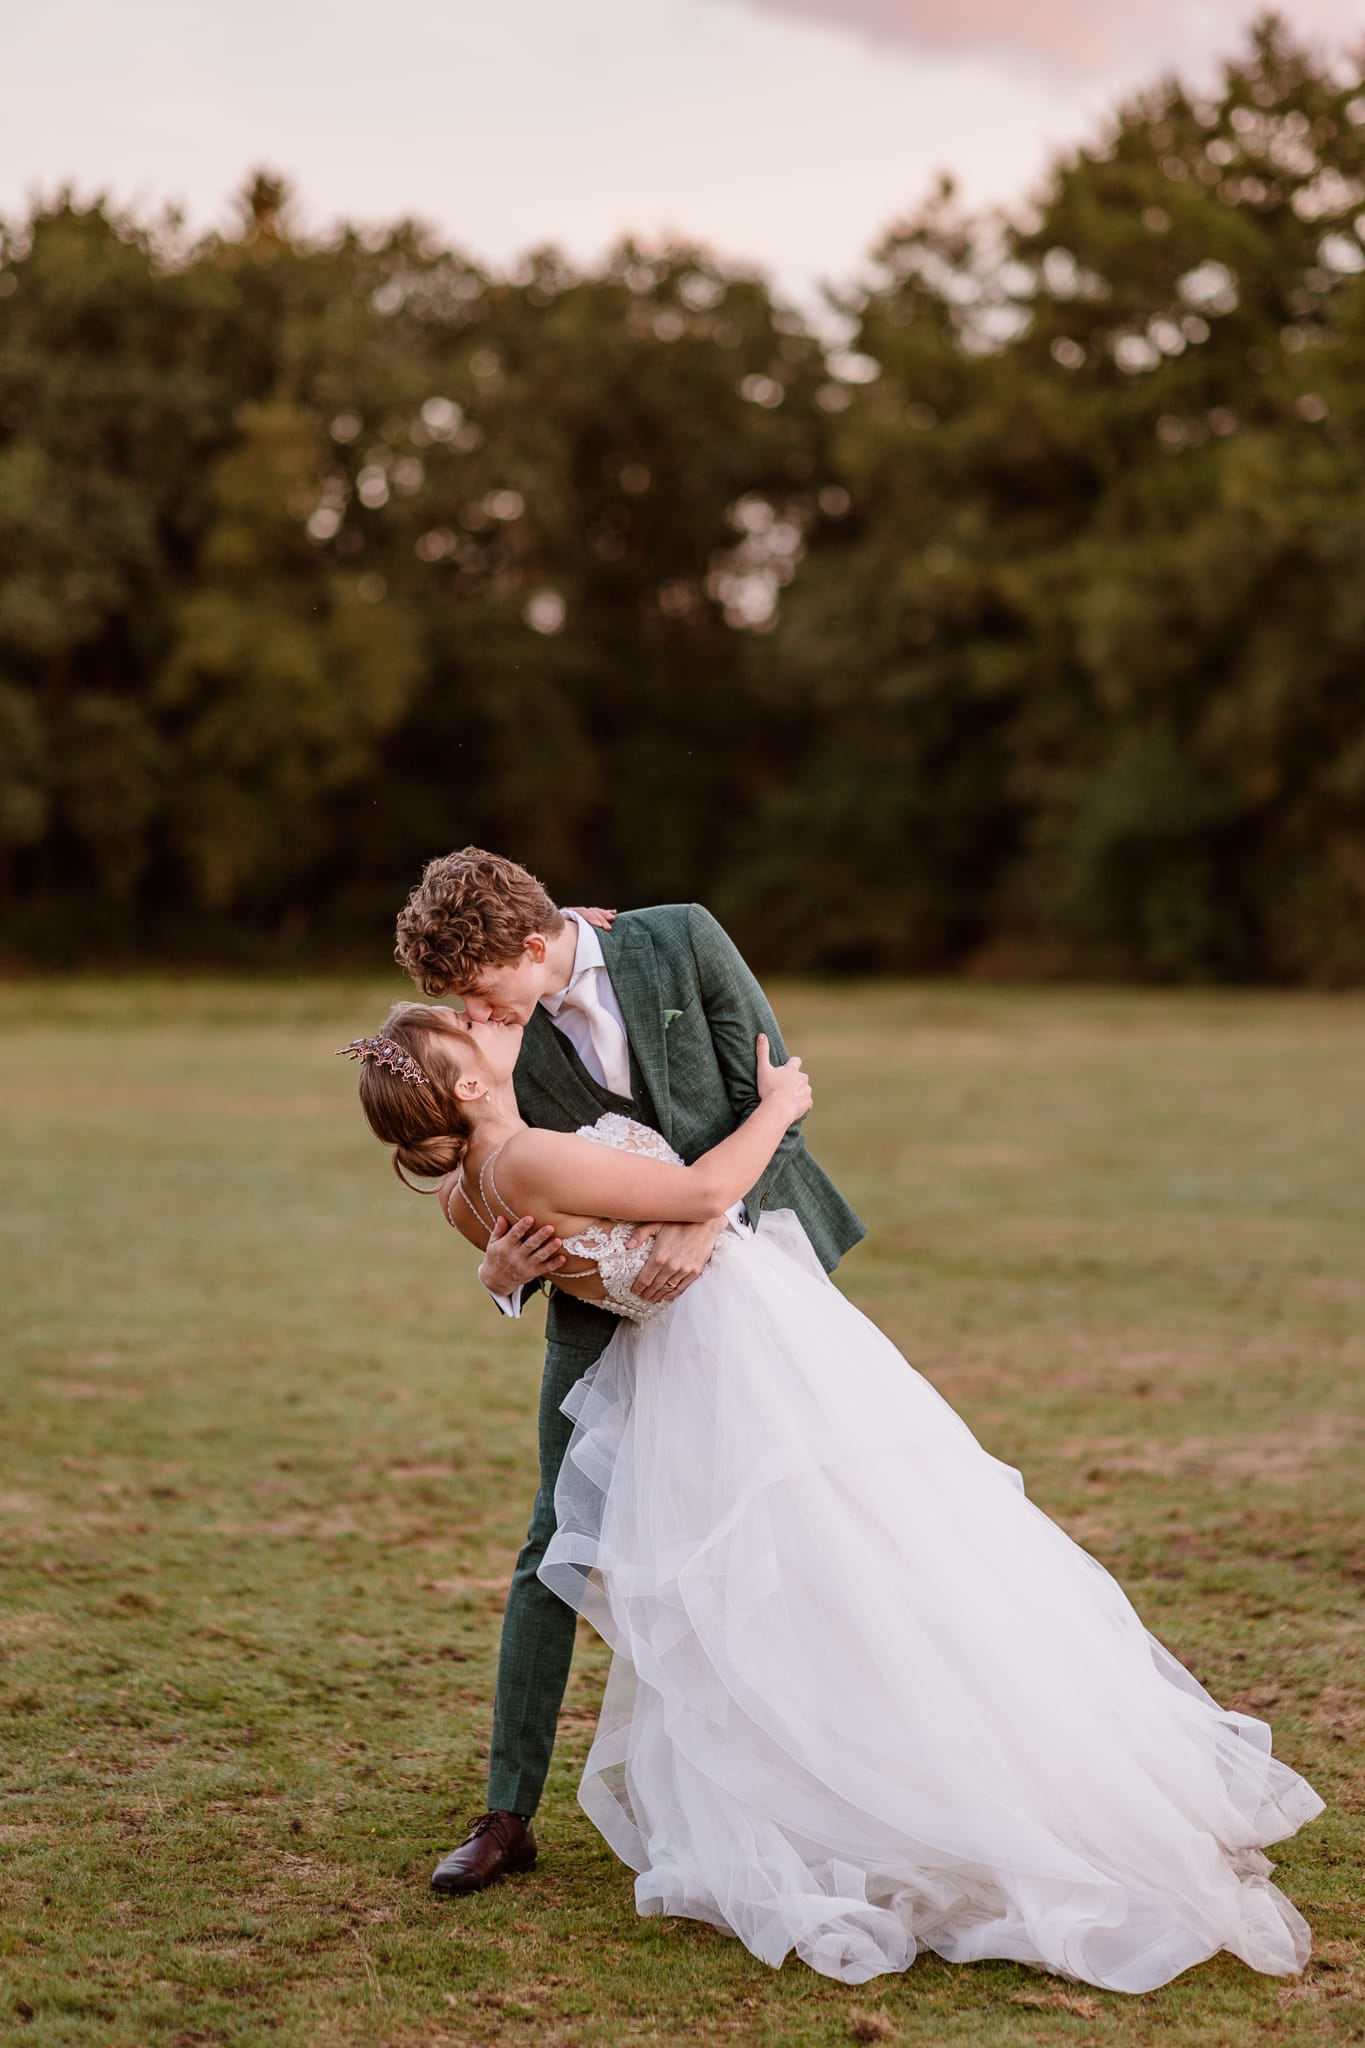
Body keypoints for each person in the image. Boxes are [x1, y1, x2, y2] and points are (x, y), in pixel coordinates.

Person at [340, 997, 1325, 1994]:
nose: (489, 1019)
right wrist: (780, 1101)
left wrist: (496, 1275)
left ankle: (830, 1754)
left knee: (801, 1558)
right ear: (469, 1083)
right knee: (884, 1533)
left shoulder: (461, 1188)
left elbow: (561, 1244)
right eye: (473, 1031)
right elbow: (703, 1187)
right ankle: (940, 1766)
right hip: (739, 1337)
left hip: (671, 1365)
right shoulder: (532, 1157)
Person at [386, 849, 865, 1895]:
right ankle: (507, 1812)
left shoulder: (681, 936)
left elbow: (777, 1092)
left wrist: (710, 1227)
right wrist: (500, 1272)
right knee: (554, 1539)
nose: (470, 1013)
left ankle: (828, 1766)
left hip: (754, 1279)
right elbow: (466, 1152)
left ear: (530, 943)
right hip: (601, 1307)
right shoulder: (493, 1041)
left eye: (476, 990)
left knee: (798, 1517)